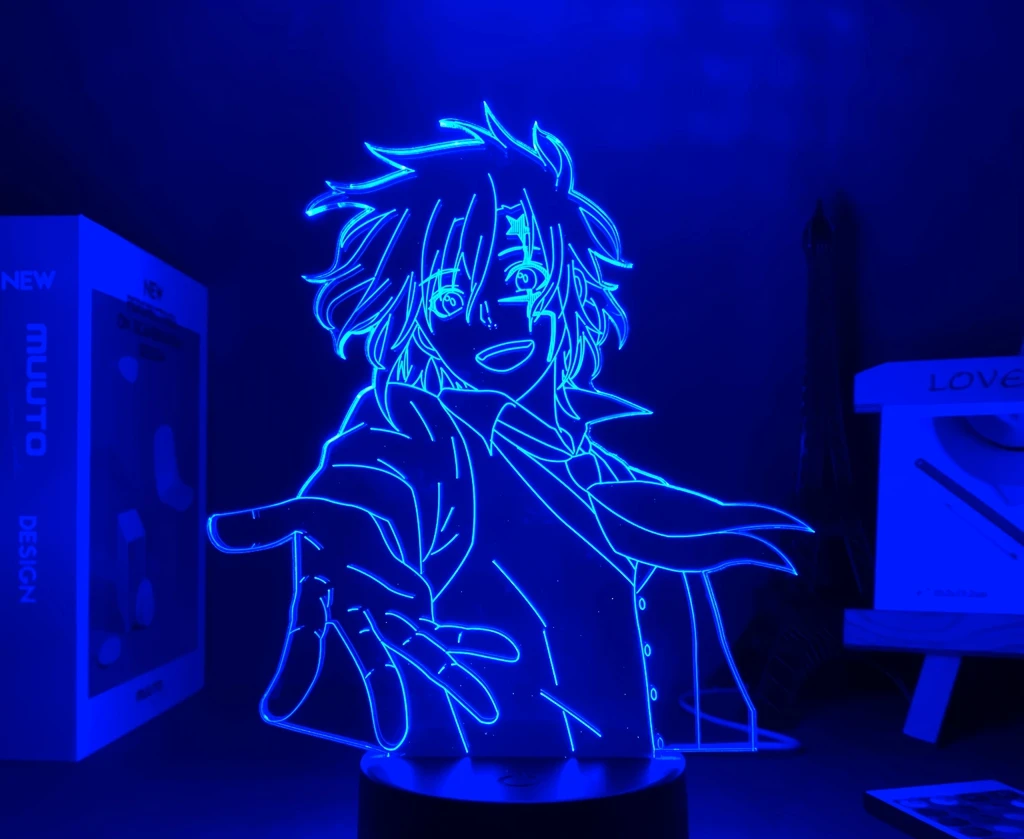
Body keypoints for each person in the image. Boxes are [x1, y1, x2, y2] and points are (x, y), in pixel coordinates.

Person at [208, 105, 810, 757]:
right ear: (412, 319)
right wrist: (351, 530)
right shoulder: (424, 433)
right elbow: (374, 476)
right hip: (477, 791)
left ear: (567, 281)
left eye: (522, 277)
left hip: (625, 793)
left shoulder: (593, 459)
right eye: (449, 297)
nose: (495, 318)